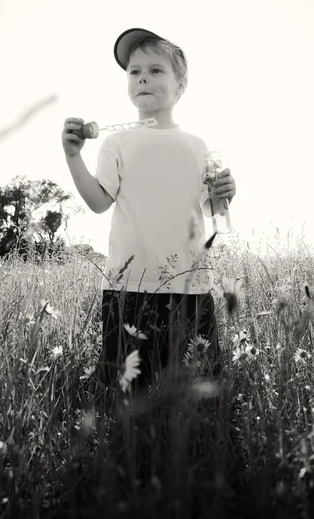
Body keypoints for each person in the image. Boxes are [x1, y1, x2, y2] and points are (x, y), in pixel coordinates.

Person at [62, 27, 236, 393]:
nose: (142, 76)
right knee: (126, 392)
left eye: (156, 70)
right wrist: (74, 157)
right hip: (129, 287)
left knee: (194, 391)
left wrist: (226, 193)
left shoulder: (197, 145)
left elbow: (211, 210)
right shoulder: (116, 142)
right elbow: (97, 202)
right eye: (134, 70)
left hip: (190, 288)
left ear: (181, 84)